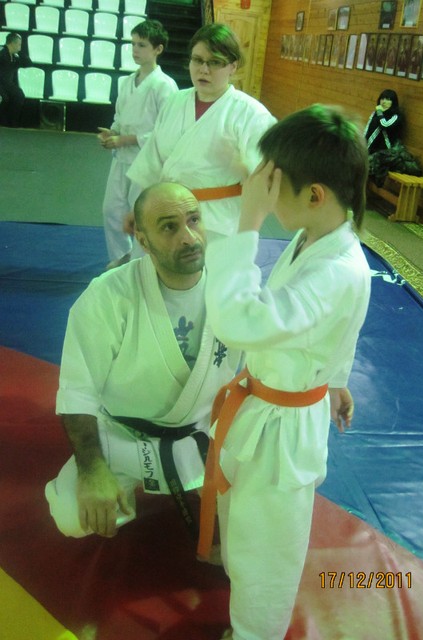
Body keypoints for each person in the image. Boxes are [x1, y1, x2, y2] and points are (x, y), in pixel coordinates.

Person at [196, 104, 372, 640]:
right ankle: (241, 587)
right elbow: (339, 327)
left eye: (275, 187)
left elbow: (239, 322)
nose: (267, 198)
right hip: (264, 403)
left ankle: (256, 632)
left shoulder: (340, 269)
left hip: (285, 427)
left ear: (314, 195)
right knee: (242, 515)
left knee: (268, 547)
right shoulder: (316, 237)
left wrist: (246, 224)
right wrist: (336, 379)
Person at [45, 182, 241, 545]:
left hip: (202, 435)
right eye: (169, 227)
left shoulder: (233, 289)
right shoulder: (108, 295)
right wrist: (92, 470)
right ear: (143, 240)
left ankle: (210, 483)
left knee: (261, 510)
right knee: (72, 516)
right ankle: (117, 484)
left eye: (194, 220)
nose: (188, 237)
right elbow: (78, 390)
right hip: (124, 437)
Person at [126, 23, 276, 243]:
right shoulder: (175, 102)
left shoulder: (252, 115)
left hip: (218, 223)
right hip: (164, 214)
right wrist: (140, 209)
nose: (204, 70)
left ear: (233, 67)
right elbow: (152, 162)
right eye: (197, 60)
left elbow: (267, 181)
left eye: (215, 62)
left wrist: (242, 167)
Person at [97, 20, 178, 270]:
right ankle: (122, 257)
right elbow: (120, 117)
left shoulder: (164, 86)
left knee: (140, 214)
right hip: (121, 157)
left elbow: (166, 132)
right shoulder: (126, 82)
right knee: (111, 210)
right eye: (133, 44)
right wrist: (113, 132)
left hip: (147, 162)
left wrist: (126, 139)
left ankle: (140, 264)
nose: (135, 49)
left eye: (142, 45)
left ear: (158, 49)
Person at [0, 32, 32, 128]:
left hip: (8, 85)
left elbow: (28, 63)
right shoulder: (2, 54)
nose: (20, 47)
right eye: (19, 45)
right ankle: (4, 123)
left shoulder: (14, 57)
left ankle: (12, 123)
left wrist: (20, 53)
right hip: (1, 85)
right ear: (12, 43)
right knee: (4, 98)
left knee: (19, 95)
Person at [364, 88, 402, 155]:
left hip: (384, 152)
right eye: (382, 99)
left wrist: (379, 112)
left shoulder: (396, 116)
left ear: (393, 102)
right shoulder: (376, 113)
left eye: (387, 99)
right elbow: (367, 127)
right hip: (369, 148)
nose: (383, 102)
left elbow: (384, 125)